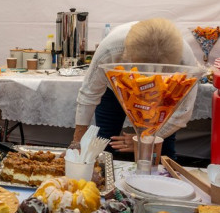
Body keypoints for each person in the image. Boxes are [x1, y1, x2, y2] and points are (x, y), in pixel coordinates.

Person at [71, 18, 199, 160]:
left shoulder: (185, 58)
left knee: (162, 150)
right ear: (126, 54)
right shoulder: (110, 48)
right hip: (115, 90)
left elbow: (182, 112)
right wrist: (77, 142)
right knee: (105, 141)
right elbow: (89, 94)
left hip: (161, 95)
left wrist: (146, 139)